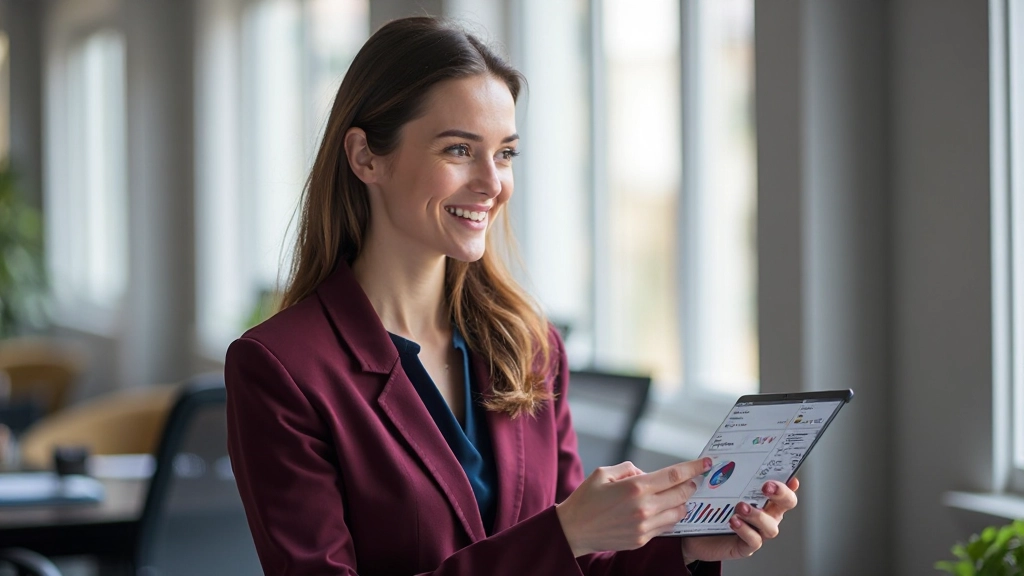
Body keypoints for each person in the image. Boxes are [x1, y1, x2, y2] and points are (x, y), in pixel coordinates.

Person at [224, 16, 799, 576]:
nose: (492, 182)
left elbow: (581, 564)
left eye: (505, 153)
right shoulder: (281, 368)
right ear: (366, 157)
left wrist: (684, 549)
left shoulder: (530, 347)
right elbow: (560, 545)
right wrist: (564, 532)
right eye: (457, 150)